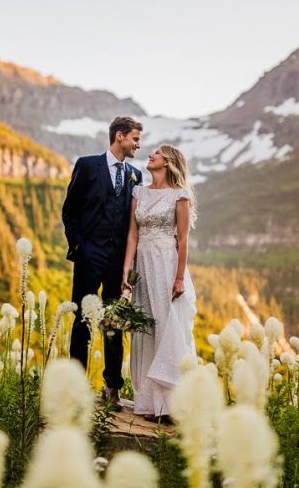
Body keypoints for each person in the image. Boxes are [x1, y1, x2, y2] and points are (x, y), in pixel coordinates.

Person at [62, 116, 144, 409]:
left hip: (117, 261)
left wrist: (128, 263)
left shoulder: (136, 174)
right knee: (82, 321)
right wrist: (78, 246)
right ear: (120, 136)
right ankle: (75, 388)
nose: (138, 144)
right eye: (135, 138)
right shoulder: (87, 165)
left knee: (114, 323)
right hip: (89, 256)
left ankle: (112, 388)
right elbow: (69, 209)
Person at [122, 144, 197, 422]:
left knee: (167, 324)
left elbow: (183, 240)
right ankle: (150, 401)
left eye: (156, 153)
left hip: (167, 263)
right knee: (146, 327)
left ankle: (172, 404)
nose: (150, 155)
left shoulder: (179, 195)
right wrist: (126, 272)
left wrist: (179, 278)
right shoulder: (138, 192)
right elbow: (132, 236)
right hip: (143, 265)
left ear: (167, 162)